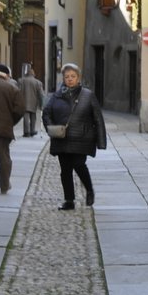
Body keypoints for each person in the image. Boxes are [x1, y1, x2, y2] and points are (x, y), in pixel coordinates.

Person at [43, 63, 106, 210]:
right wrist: (51, 127)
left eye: (73, 76)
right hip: (62, 139)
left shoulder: (87, 95)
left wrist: (101, 141)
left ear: (78, 78)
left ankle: (89, 190)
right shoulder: (57, 96)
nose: (70, 79)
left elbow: (98, 118)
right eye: (67, 77)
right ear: (63, 79)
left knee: (79, 164)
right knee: (65, 170)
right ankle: (69, 200)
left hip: (81, 139)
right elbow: (46, 113)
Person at [0, 64, 26, 195]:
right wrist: (11, 121)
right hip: (4, 129)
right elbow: (20, 110)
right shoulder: (12, 88)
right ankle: (4, 184)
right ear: (6, 75)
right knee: (4, 157)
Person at [19, 64, 44, 137]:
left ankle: (27, 132)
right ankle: (32, 130)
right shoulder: (38, 82)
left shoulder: (21, 81)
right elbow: (41, 94)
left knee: (26, 117)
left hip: (23, 101)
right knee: (33, 117)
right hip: (34, 102)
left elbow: (18, 91)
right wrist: (41, 104)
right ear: (33, 74)